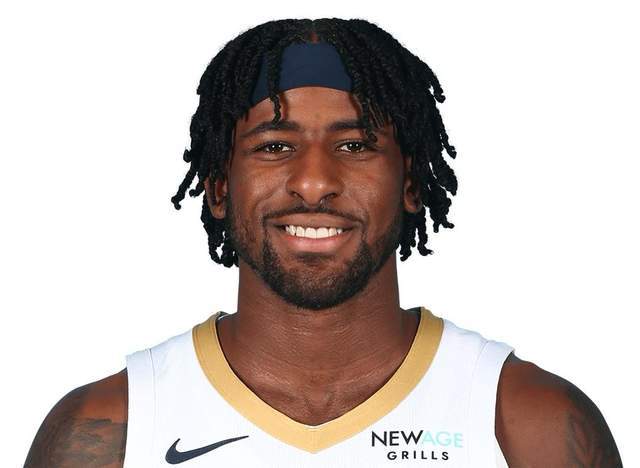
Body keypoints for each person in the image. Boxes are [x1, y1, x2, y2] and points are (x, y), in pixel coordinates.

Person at [24, 18, 622, 467]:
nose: (313, 182)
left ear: (411, 184)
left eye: (355, 145)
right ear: (219, 188)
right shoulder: (112, 430)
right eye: (274, 146)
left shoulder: (528, 424)